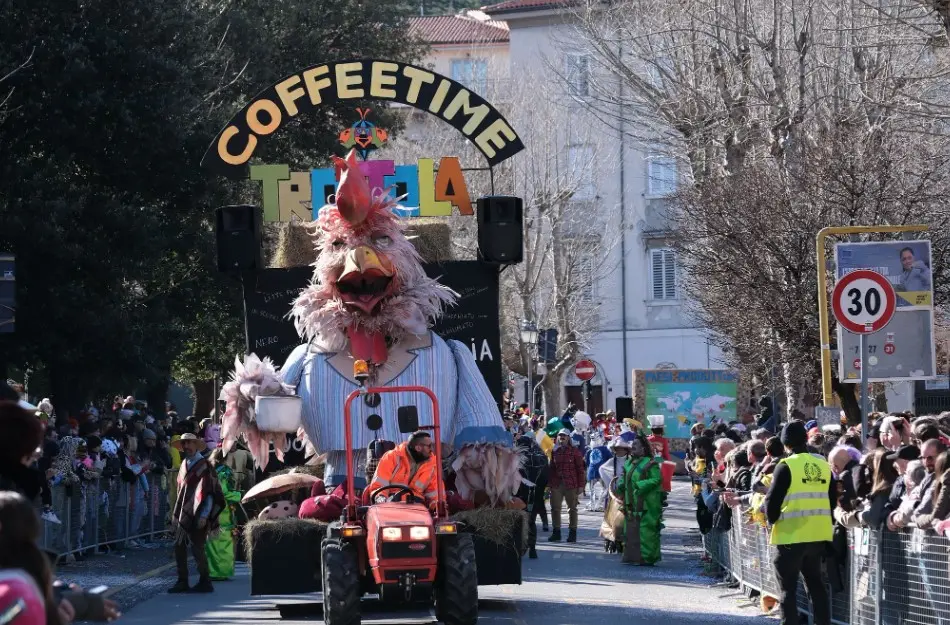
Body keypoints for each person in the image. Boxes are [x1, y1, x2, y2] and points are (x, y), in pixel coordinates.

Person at [764, 421, 834, 625]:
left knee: (788, 590)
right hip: (818, 535)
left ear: (785, 445)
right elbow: (831, 499)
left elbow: (772, 501)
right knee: (816, 586)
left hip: (791, 536)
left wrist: (771, 521)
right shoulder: (823, 464)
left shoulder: (786, 466)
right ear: (806, 439)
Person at [169, 433, 224, 594]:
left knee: (197, 548)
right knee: (179, 546)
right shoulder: (184, 464)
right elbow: (181, 491)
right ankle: (182, 581)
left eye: (190, 443)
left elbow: (210, 493)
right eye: (184, 444)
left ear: (196, 445)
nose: (187, 447)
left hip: (199, 513)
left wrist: (204, 515)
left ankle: (205, 581)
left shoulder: (205, 465)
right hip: (184, 513)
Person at [367, 431, 444, 508]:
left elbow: (436, 492)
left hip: (417, 506)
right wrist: (381, 498)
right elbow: (378, 486)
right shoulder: (392, 457)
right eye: (429, 446)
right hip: (391, 505)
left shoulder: (431, 465)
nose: (432, 449)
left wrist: (437, 506)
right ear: (418, 448)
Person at [618, 434, 663, 566]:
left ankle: (647, 557)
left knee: (646, 531)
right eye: (632, 445)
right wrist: (620, 486)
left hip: (646, 503)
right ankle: (632, 556)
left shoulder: (650, 463)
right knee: (630, 530)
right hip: (630, 503)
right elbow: (624, 478)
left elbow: (656, 479)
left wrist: (640, 485)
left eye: (636, 445)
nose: (633, 448)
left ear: (643, 449)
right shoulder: (629, 463)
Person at [205, 450, 242, 581]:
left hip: (209, 509)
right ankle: (220, 572)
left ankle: (212, 571)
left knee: (212, 541)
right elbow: (223, 492)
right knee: (224, 541)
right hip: (222, 510)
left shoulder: (207, 469)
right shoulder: (223, 472)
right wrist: (238, 495)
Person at [547, 428, 585, 543]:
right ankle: (556, 532)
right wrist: (549, 484)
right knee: (555, 508)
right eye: (560, 436)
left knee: (572, 509)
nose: (562, 438)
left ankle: (572, 533)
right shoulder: (555, 451)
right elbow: (551, 469)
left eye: (564, 436)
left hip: (571, 483)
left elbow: (580, 469)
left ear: (568, 438)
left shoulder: (575, 451)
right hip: (557, 484)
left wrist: (581, 486)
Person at [516, 434, 549, 559]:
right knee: (531, 520)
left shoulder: (517, 457)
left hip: (520, 494)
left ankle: (522, 547)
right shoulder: (540, 457)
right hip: (535, 494)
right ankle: (532, 548)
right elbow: (546, 477)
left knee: (519, 520)